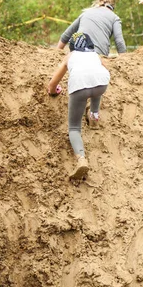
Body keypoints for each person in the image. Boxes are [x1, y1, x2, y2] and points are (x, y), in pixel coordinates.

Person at [48, 33, 110, 180]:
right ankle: (94, 115)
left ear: (72, 47)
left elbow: (53, 83)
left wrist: (53, 91)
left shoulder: (70, 56)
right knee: (95, 85)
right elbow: (103, 70)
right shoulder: (95, 55)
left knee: (74, 128)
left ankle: (81, 159)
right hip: (102, 83)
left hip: (79, 87)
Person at [57, 0, 126, 56]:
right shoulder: (114, 18)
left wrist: (57, 53)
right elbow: (119, 41)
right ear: (113, 6)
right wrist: (124, 61)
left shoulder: (85, 13)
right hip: (98, 56)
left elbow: (66, 35)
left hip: (77, 53)